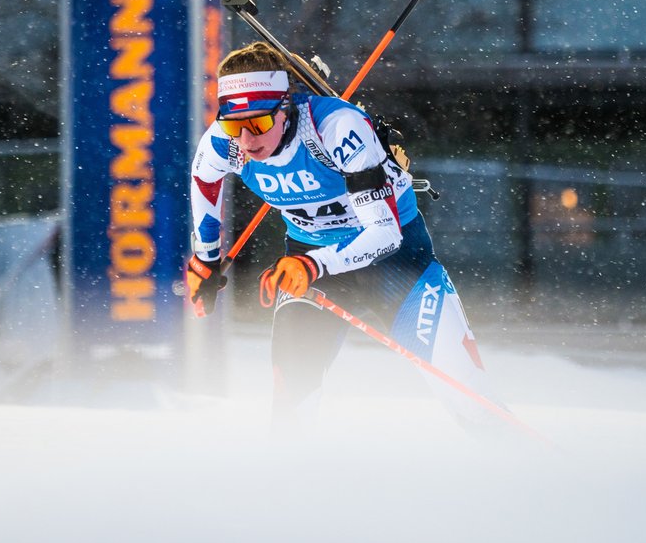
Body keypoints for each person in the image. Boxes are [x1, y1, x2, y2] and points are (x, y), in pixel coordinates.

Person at [186, 41, 496, 431]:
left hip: (395, 265)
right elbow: (204, 180)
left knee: (467, 393)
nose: (247, 139)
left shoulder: (335, 128)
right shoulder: (225, 143)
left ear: (285, 108)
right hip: (311, 263)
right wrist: (206, 258)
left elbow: (383, 234)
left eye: (259, 123)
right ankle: (289, 486)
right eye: (235, 124)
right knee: (291, 405)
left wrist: (313, 263)